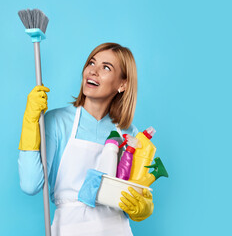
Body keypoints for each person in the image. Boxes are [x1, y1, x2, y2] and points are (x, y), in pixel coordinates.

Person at [18, 42, 154, 235]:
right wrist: (30, 124)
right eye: (91, 63)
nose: (93, 71)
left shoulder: (129, 134)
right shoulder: (57, 122)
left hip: (116, 228)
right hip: (71, 228)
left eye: (106, 67)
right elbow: (30, 185)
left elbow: (135, 189)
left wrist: (143, 206)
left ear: (122, 84)